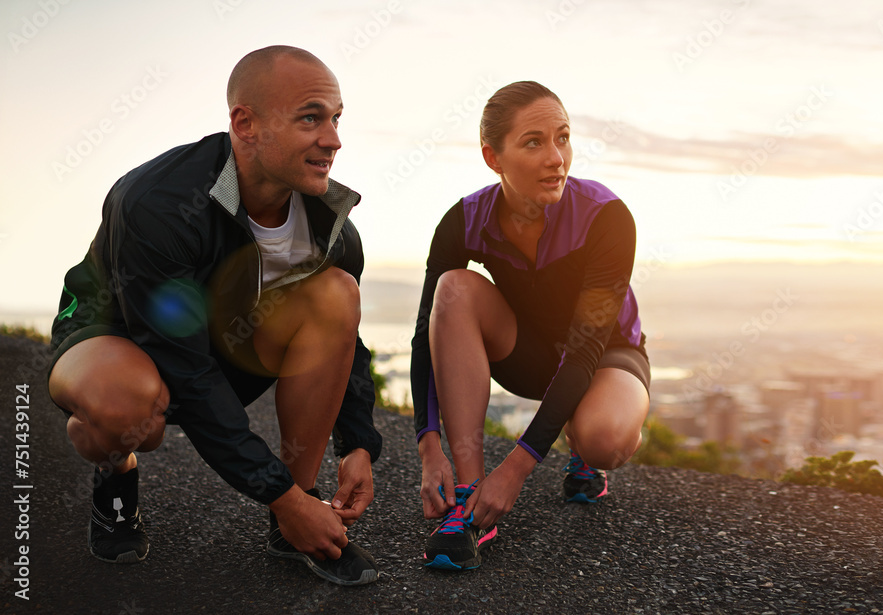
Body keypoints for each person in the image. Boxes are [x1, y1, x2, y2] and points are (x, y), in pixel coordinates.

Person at [46, 45, 381, 586]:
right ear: (245, 124)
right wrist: (276, 491)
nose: (334, 139)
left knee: (337, 293)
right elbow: (184, 368)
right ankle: (117, 473)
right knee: (127, 409)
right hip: (118, 336)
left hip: (226, 343)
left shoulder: (331, 228)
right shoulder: (155, 202)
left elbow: (349, 345)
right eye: (311, 118)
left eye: (337, 118)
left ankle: (291, 517)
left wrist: (360, 443)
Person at [410, 81, 651, 570]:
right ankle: (470, 498)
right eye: (534, 142)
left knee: (600, 438)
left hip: (606, 356)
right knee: (453, 288)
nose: (557, 158)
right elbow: (425, 331)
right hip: (529, 354)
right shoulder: (463, 220)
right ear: (492, 157)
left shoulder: (606, 216)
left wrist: (516, 471)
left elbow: (584, 350)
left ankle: (587, 445)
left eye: (562, 137)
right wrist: (427, 445)